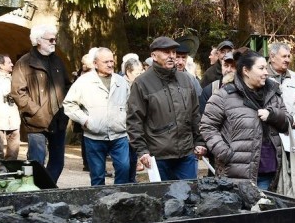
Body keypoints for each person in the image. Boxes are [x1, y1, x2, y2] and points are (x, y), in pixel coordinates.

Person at [200, 50, 291, 189]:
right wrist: (224, 153)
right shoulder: (224, 95)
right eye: (261, 68)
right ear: (246, 71)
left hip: (269, 172)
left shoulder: (274, 94)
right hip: (235, 173)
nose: (266, 72)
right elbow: (207, 126)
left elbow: (288, 121)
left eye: (266, 68)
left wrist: (272, 115)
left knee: (264, 209)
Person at [126, 36, 206, 181]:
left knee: (189, 196)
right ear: (154, 56)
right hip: (158, 155)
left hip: (186, 153)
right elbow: (134, 120)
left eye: (173, 52)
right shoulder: (142, 83)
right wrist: (142, 151)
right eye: (166, 52)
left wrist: (200, 141)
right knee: (163, 199)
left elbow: (195, 114)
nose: (171, 56)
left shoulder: (186, 80)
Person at [10, 24, 70, 184]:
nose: (54, 42)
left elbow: (67, 85)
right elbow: (18, 92)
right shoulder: (24, 63)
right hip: (36, 123)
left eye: (55, 39)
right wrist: (36, 111)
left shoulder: (57, 61)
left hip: (58, 120)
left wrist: (66, 109)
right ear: (38, 41)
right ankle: (35, 191)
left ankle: (45, 189)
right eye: (50, 39)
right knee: (37, 161)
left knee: (58, 162)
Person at [63, 47, 131, 186]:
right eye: (106, 62)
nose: (110, 64)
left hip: (119, 135)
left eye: (112, 61)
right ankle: (100, 204)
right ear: (95, 63)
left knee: (124, 169)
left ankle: (121, 202)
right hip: (94, 136)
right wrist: (85, 120)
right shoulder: (84, 82)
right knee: (97, 176)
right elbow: (69, 104)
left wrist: (127, 124)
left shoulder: (121, 81)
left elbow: (130, 106)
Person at [268, 43, 295, 129]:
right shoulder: (263, 76)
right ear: (272, 57)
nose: (287, 60)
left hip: (291, 127)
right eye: (284, 56)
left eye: (288, 56)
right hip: (269, 129)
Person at [122, 57, 145, 181]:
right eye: (137, 73)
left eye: (141, 72)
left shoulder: (140, 84)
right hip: (124, 129)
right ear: (128, 72)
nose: (140, 75)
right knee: (126, 162)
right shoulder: (121, 85)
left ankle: (131, 181)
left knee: (133, 158)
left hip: (136, 129)